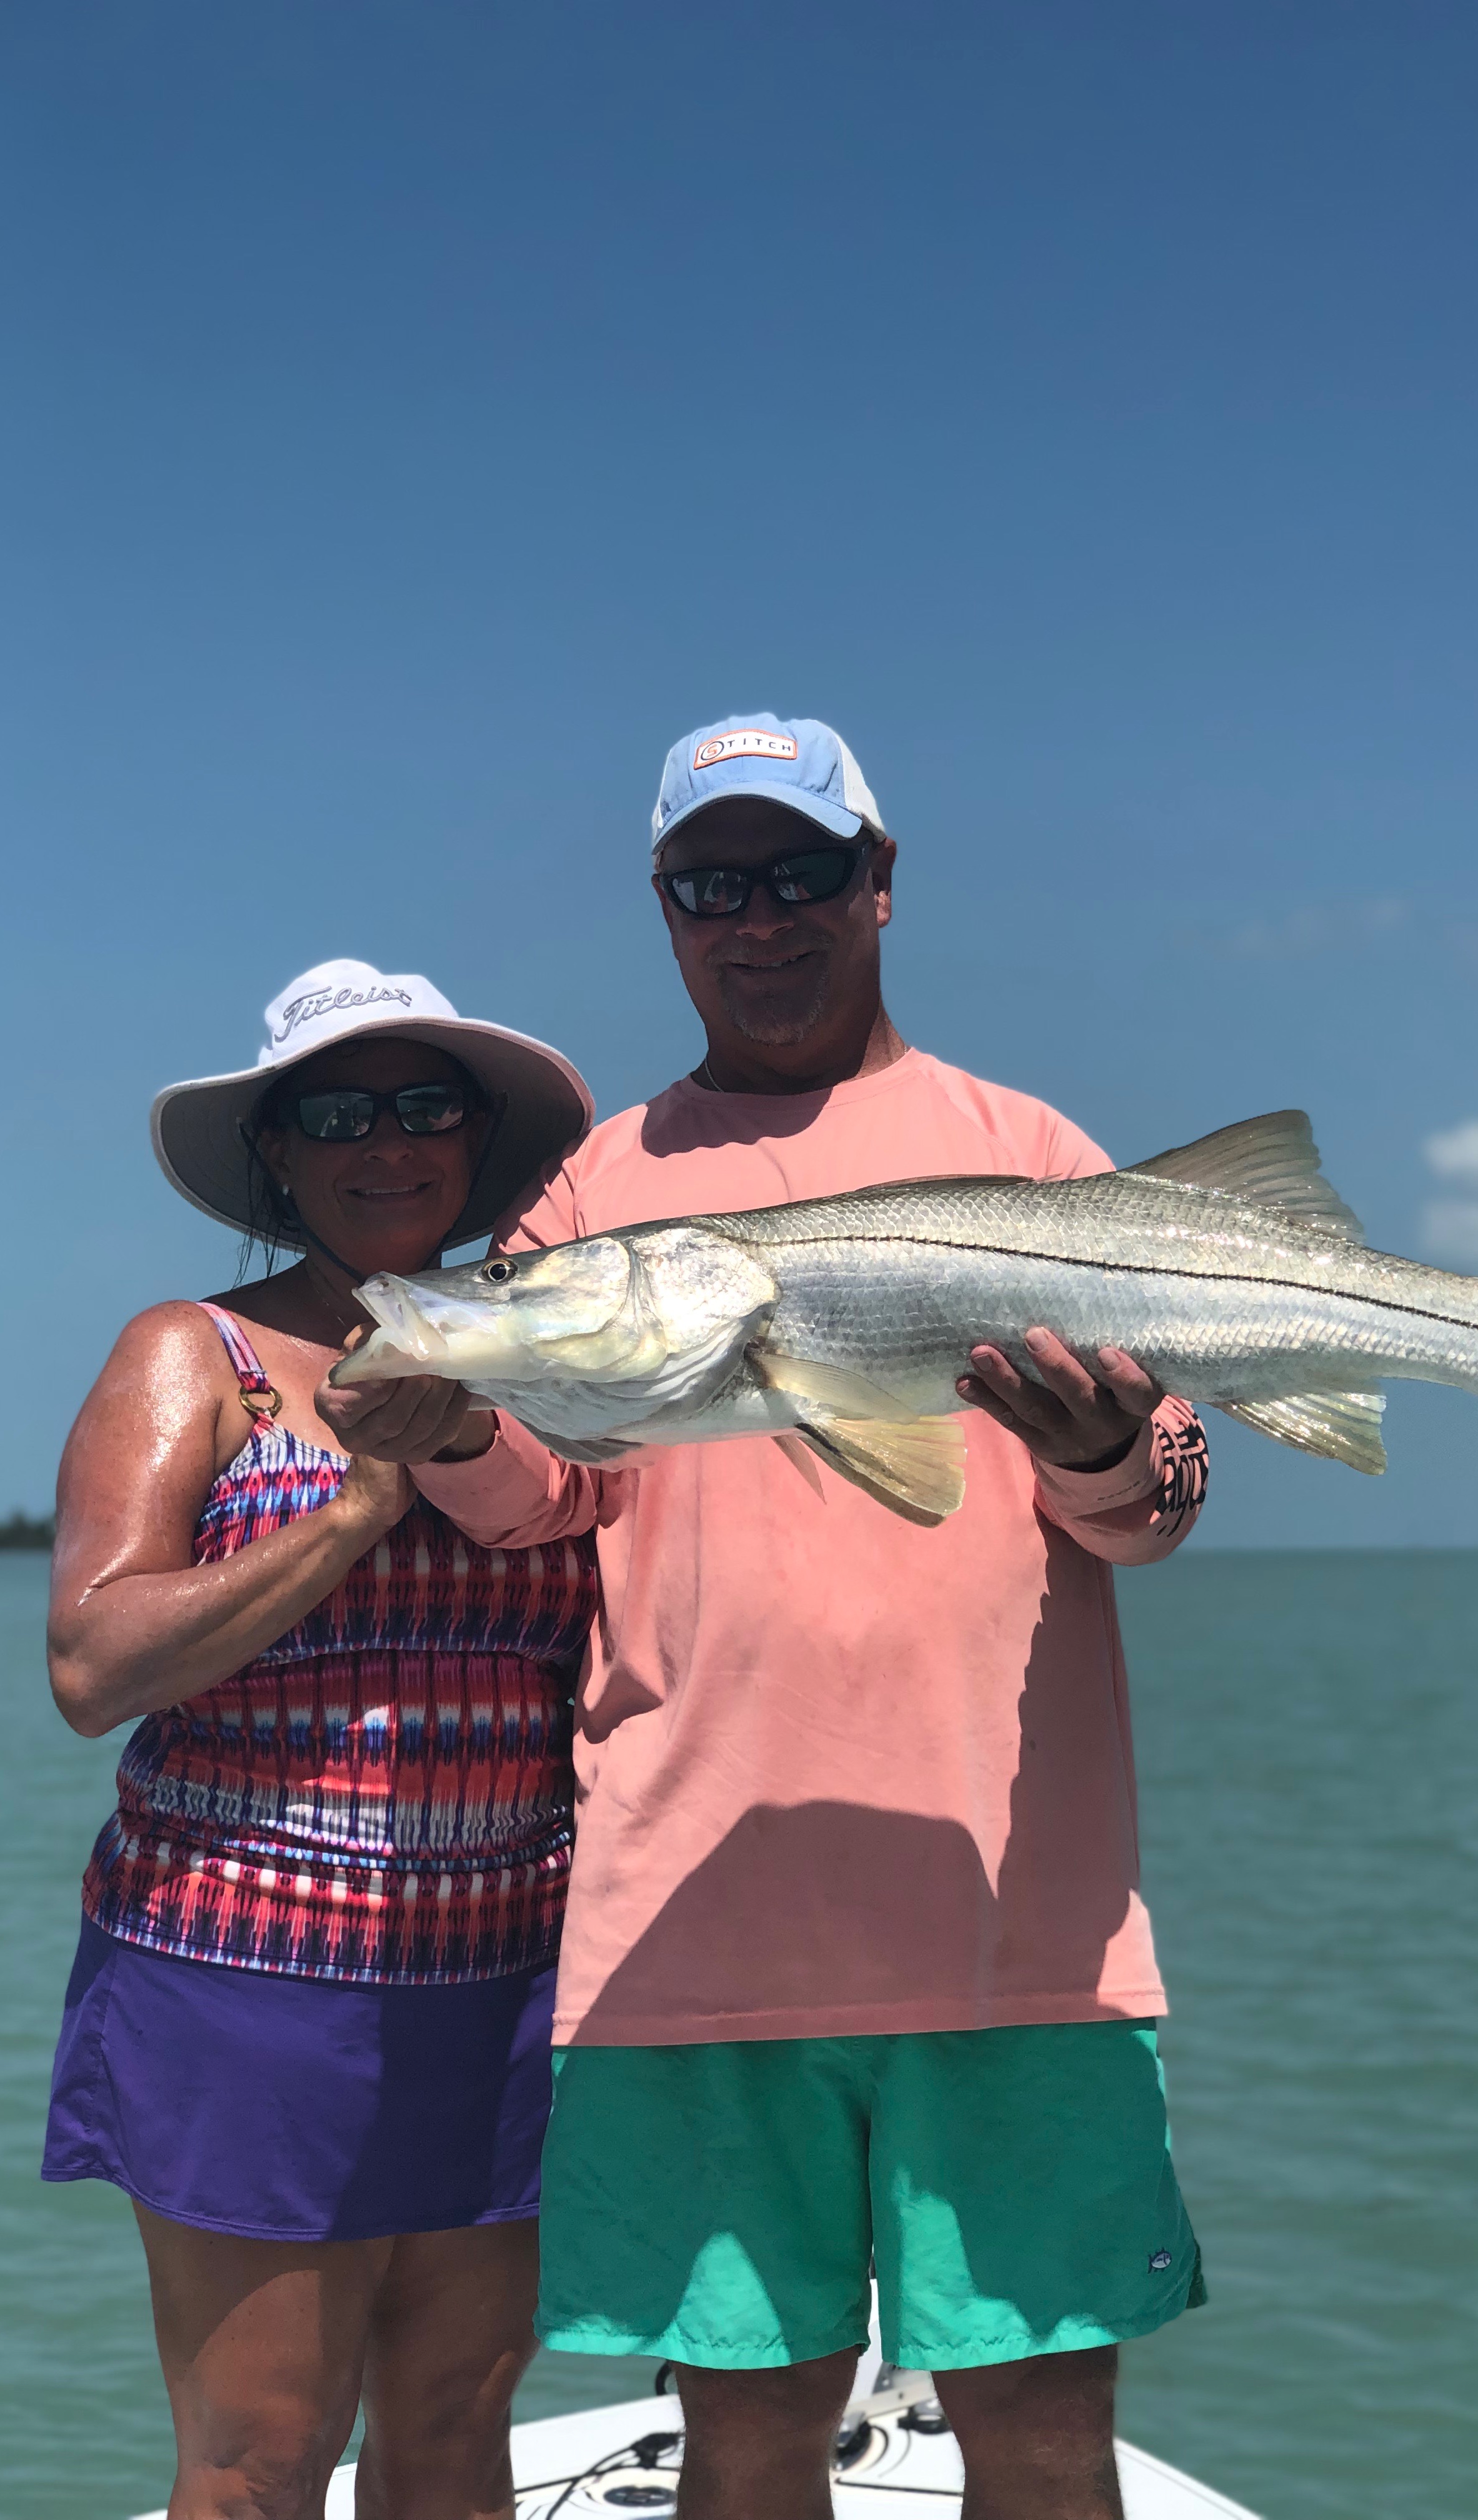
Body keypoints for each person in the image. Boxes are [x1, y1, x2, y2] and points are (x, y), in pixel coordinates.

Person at [324, 720, 1211, 2520]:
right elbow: (551, 1492)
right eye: (711, 885)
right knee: (742, 2444)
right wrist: (453, 1434)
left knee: (1045, 2441)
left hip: (1018, 1920)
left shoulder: (1026, 1147)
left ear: (880, 885)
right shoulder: (593, 1190)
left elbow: (1162, 1500)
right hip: (688, 1928)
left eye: (801, 872)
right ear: (665, 913)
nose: (760, 917)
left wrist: (1110, 1452)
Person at [43, 961, 597, 2520]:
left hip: (510, 1978)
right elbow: (91, 1662)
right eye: (339, 1114)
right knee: (261, 2462)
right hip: (246, 1981)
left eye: (425, 1105)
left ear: (475, 1140)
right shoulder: (194, 1353)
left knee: (456, 2437)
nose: (388, 1142)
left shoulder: (561, 1351)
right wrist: (357, 1508)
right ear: (277, 1153)